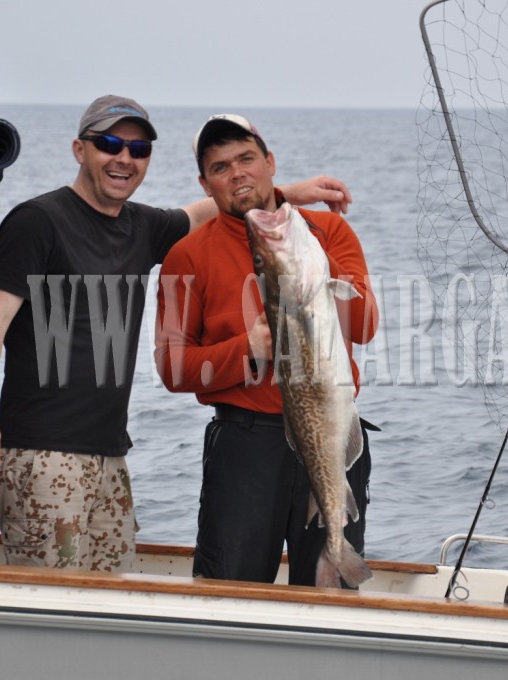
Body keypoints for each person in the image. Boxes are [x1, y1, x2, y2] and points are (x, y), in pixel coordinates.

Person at [0, 96, 353, 573]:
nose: (124, 158)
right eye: (109, 144)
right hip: (40, 452)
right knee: (55, 599)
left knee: (111, 599)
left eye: (139, 149)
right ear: (79, 149)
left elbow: (203, 212)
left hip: (110, 455)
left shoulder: (141, 226)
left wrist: (285, 193)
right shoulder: (38, 221)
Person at [154, 114, 379, 586]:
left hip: (333, 433)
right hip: (245, 445)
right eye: (220, 167)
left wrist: (313, 261)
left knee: (330, 599)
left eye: (246, 159)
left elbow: (365, 327)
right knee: (229, 590)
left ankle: (335, 572)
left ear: (270, 162)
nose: (237, 173)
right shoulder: (187, 255)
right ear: (205, 184)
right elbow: (173, 368)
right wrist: (248, 349)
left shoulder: (328, 232)